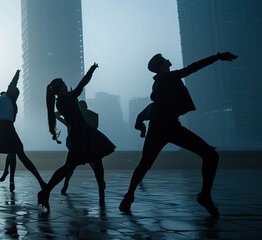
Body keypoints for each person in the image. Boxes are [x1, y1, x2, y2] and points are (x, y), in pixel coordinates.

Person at [119, 52, 237, 217]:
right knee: (210, 155)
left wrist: (141, 121)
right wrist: (216, 57)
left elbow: (156, 105)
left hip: (162, 126)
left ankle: (128, 196)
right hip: (168, 126)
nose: (168, 60)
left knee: (145, 163)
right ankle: (205, 195)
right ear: (161, 65)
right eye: (165, 60)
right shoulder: (167, 78)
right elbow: (193, 68)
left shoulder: (159, 83)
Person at [39, 63, 115, 210]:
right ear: (61, 87)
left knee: (76, 165)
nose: (66, 86)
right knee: (83, 164)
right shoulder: (65, 99)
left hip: (78, 133)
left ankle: (45, 192)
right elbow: (82, 85)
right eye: (64, 84)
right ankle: (45, 192)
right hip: (81, 133)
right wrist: (91, 70)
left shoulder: (60, 102)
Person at [0, 70, 46, 202]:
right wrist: (17, 74)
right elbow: (12, 84)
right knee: (21, 154)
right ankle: (41, 182)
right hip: (6, 127)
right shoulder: (8, 98)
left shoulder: (2, 101)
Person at [56, 100, 106, 202]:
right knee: (95, 168)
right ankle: (101, 190)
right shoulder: (88, 116)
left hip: (85, 145)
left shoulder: (80, 117)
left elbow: (61, 118)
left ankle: (66, 185)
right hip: (85, 145)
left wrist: (65, 111)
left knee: (71, 167)